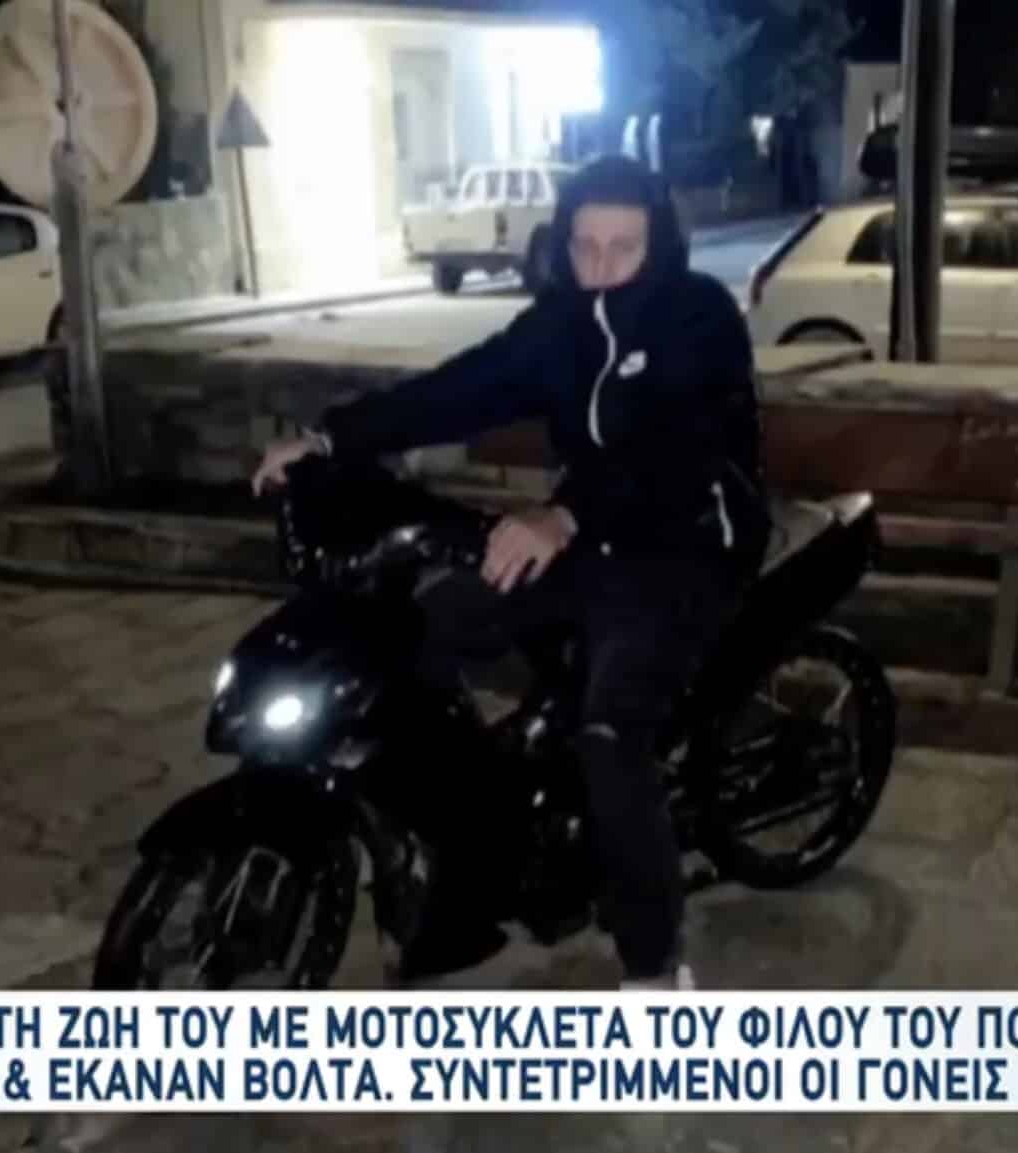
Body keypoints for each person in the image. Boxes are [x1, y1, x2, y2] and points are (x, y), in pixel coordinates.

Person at [252, 154, 770, 990]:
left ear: (660, 247)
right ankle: (475, 845)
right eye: (584, 246)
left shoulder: (698, 316)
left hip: (688, 544)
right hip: (589, 533)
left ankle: (652, 968)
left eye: (624, 247)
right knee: (422, 631)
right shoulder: (559, 323)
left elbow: (680, 447)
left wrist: (563, 515)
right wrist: (330, 439)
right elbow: (463, 388)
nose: (601, 265)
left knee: (611, 736)